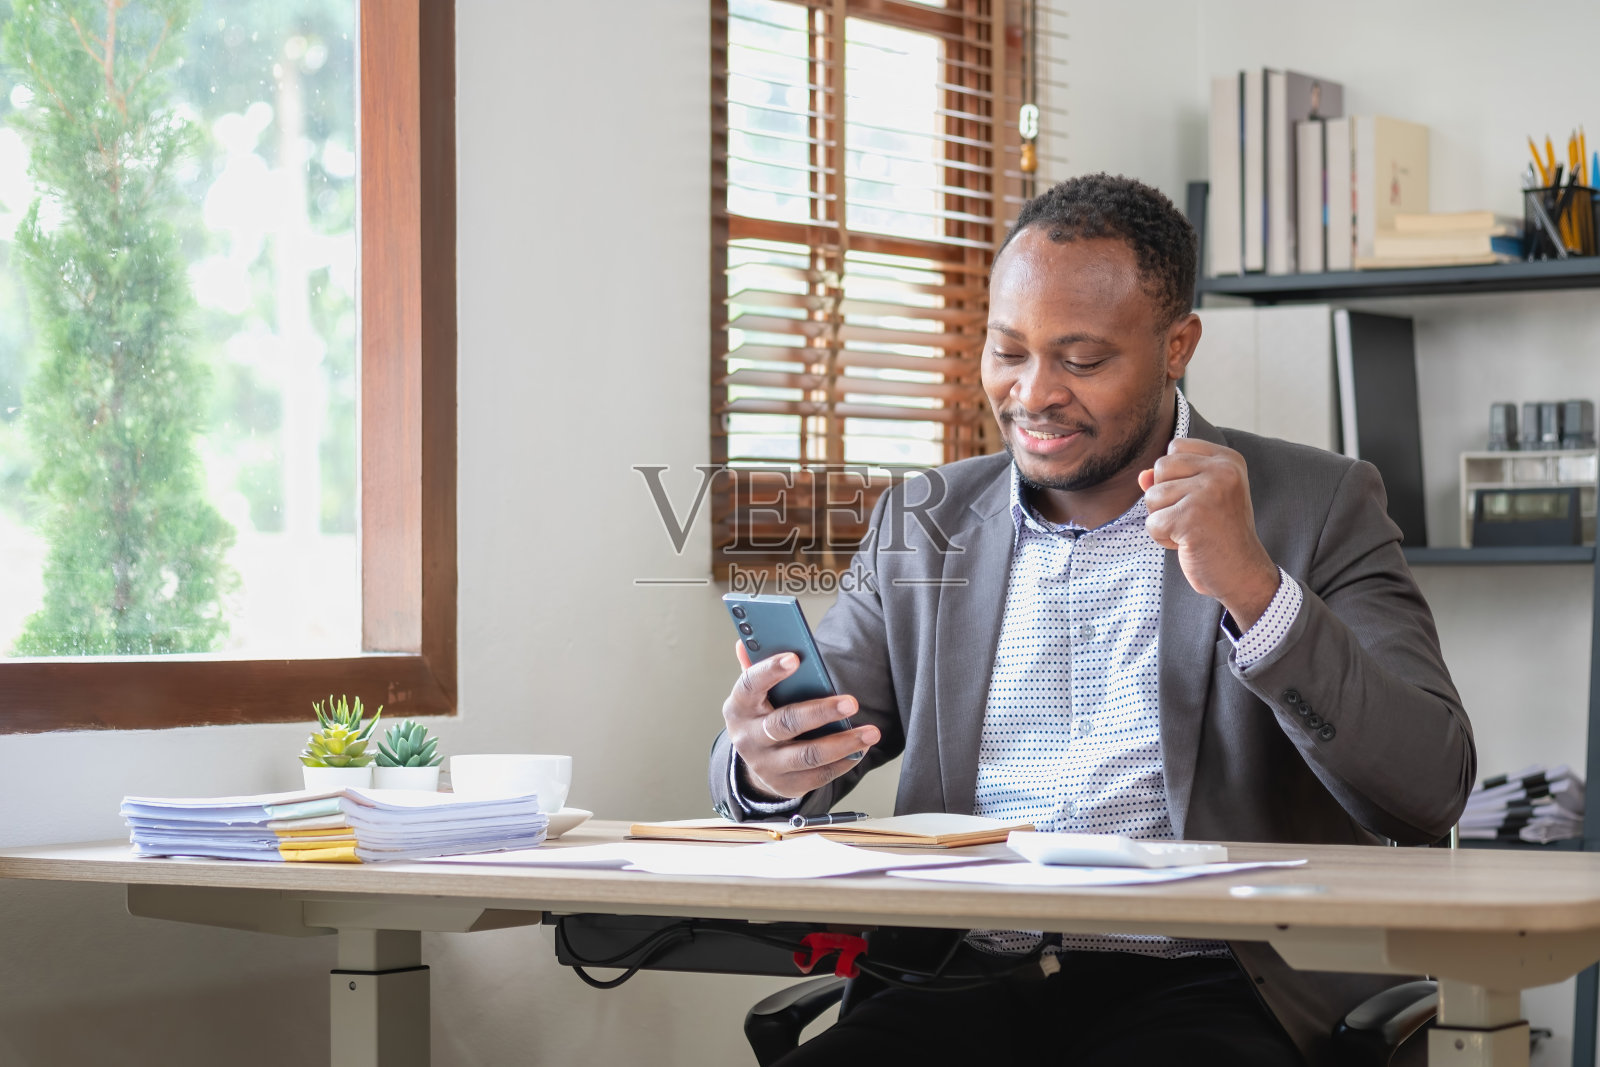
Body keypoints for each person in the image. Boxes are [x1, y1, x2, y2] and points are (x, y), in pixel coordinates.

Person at [708, 173, 1474, 1066]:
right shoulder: (925, 521)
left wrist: (1257, 591)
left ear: (1177, 346)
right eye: (1008, 351)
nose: (1034, 393)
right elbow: (806, 733)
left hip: (1211, 983)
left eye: (1081, 360)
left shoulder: (1317, 503)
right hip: (960, 977)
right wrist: (767, 762)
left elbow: (1428, 790)